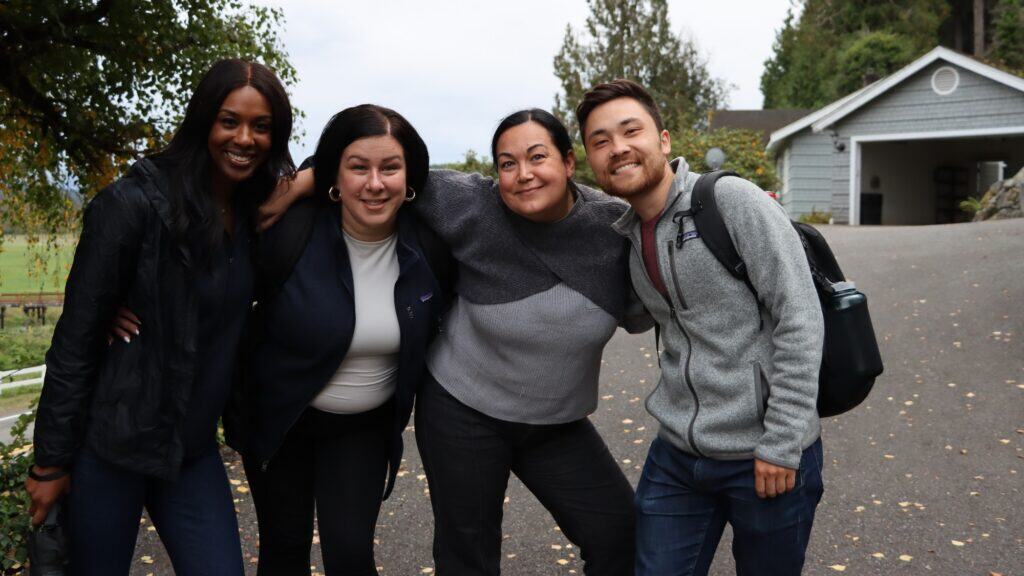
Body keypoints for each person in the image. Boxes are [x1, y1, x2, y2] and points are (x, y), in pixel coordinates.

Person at [265, 108, 652, 576]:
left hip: (557, 422)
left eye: (537, 157)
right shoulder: (471, 204)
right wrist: (306, 180)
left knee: (620, 533)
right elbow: (374, 166)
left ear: (569, 163)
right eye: (507, 163)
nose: (523, 174)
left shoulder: (613, 228)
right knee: (467, 553)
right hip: (463, 410)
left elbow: (666, 260)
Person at [26, 58, 294, 575]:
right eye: (229, 121)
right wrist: (50, 462)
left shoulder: (259, 208)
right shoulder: (133, 204)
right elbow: (76, 339)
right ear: (203, 122)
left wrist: (302, 185)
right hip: (111, 450)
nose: (245, 138)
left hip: (190, 454)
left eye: (262, 126)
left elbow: (351, 165)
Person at [576, 79, 825, 576]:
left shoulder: (730, 200)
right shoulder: (625, 236)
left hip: (765, 452)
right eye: (600, 141)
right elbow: (637, 317)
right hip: (678, 455)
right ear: (589, 159)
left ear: (663, 140)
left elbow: (799, 317)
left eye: (631, 131)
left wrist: (781, 441)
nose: (618, 148)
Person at [232, 104, 444, 576]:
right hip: (279, 422)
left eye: (390, 167)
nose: (375, 183)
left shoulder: (430, 245)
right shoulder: (290, 230)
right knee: (283, 552)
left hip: (363, 429)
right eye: (358, 167)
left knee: (350, 556)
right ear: (335, 175)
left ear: (410, 178)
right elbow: (210, 279)